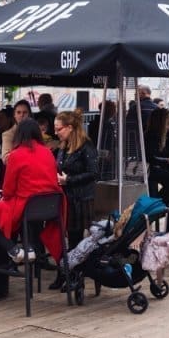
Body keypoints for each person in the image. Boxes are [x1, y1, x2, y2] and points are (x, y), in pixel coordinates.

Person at [0, 118, 65, 269]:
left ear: (19, 135)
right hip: (49, 208)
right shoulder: (48, 152)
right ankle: (29, 248)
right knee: (22, 216)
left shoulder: (16, 155)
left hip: (26, 207)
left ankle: (14, 250)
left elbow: (8, 191)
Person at [53, 110, 99, 288]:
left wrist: (69, 180)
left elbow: (94, 173)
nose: (56, 132)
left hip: (81, 199)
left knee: (75, 239)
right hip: (66, 197)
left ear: (70, 128)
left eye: (59, 129)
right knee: (64, 238)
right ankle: (65, 273)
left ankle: (74, 276)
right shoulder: (63, 146)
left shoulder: (86, 146)